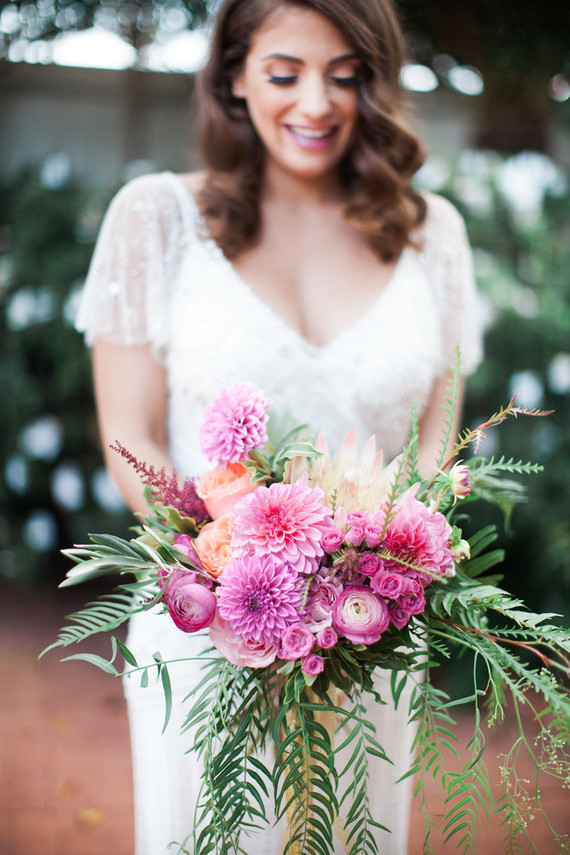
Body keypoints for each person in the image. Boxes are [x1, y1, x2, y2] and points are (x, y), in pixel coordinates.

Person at [76, 0, 483, 852]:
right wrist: (234, 579)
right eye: (284, 72)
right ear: (231, 76)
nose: (317, 104)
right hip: (211, 637)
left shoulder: (431, 233)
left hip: (374, 637)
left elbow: (438, 445)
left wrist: (365, 585)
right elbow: (132, 438)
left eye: (347, 75)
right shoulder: (155, 219)